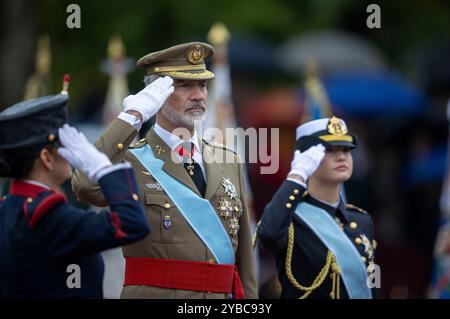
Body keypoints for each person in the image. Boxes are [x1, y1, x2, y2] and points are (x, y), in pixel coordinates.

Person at [72, 42, 258, 299]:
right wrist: (132, 116)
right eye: (184, 85)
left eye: (202, 85)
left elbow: (244, 266)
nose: (199, 95)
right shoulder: (130, 160)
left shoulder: (228, 160)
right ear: (155, 93)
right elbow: (83, 184)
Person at [0, 94, 150, 298]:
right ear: (46, 158)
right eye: (64, 145)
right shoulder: (45, 215)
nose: (72, 151)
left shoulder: (8, 208)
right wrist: (104, 170)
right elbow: (132, 224)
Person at [257, 116, 376, 299]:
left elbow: (370, 282)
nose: (342, 156)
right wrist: (298, 175)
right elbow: (268, 235)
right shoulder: (289, 217)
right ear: (307, 157)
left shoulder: (361, 220)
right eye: (329, 150)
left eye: (346, 149)